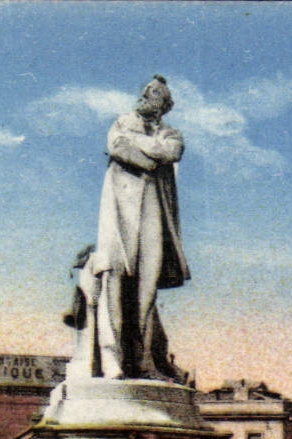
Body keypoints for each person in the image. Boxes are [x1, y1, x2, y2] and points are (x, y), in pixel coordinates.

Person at [87, 75, 190, 381]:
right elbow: (118, 148)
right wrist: (150, 155)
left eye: (154, 93)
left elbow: (172, 152)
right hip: (119, 212)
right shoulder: (121, 123)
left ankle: (143, 362)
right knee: (114, 278)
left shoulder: (172, 133)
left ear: (165, 105)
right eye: (145, 91)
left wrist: (141, 147)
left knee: (146, 290)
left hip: (152, 214)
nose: (145, 94)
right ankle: (112, 358)